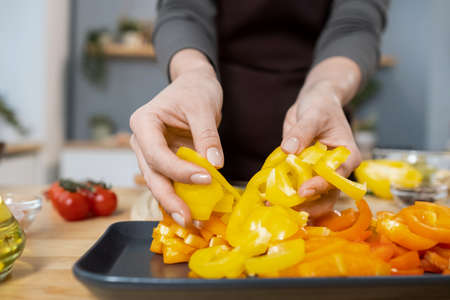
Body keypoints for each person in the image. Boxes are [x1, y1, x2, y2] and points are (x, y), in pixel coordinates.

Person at [130, 0, 389, 227]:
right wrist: (193, 74)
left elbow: (356, 22)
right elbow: (183, 8)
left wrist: (326, 89)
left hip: (318, 137)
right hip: (209, 134)